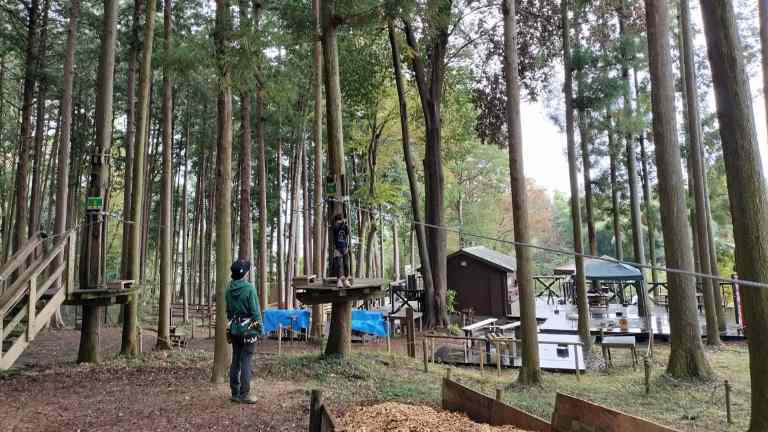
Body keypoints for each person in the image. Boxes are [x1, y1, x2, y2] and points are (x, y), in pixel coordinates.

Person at [226, 259, 261, 404]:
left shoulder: (228, 289)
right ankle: (244, 395)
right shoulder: (249, 289)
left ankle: (235, 393)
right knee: (246, 361)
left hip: (234, 329)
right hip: (248, 331)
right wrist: (260, 329)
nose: (248, 272)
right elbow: (255, 312)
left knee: (236, 360)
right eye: (247, 271)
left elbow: (228, 312)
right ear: (244, 274)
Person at [332, 214, 352, 288]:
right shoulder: (335, 226)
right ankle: (339, 281)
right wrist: (342, 223)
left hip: (345, 248)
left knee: (346, 264)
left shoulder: (344, 226)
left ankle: (346, 280)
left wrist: (346, 224)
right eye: (339, 221)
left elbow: (347, 232)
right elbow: (337, 228)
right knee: (338, 265)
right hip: (337, 249)